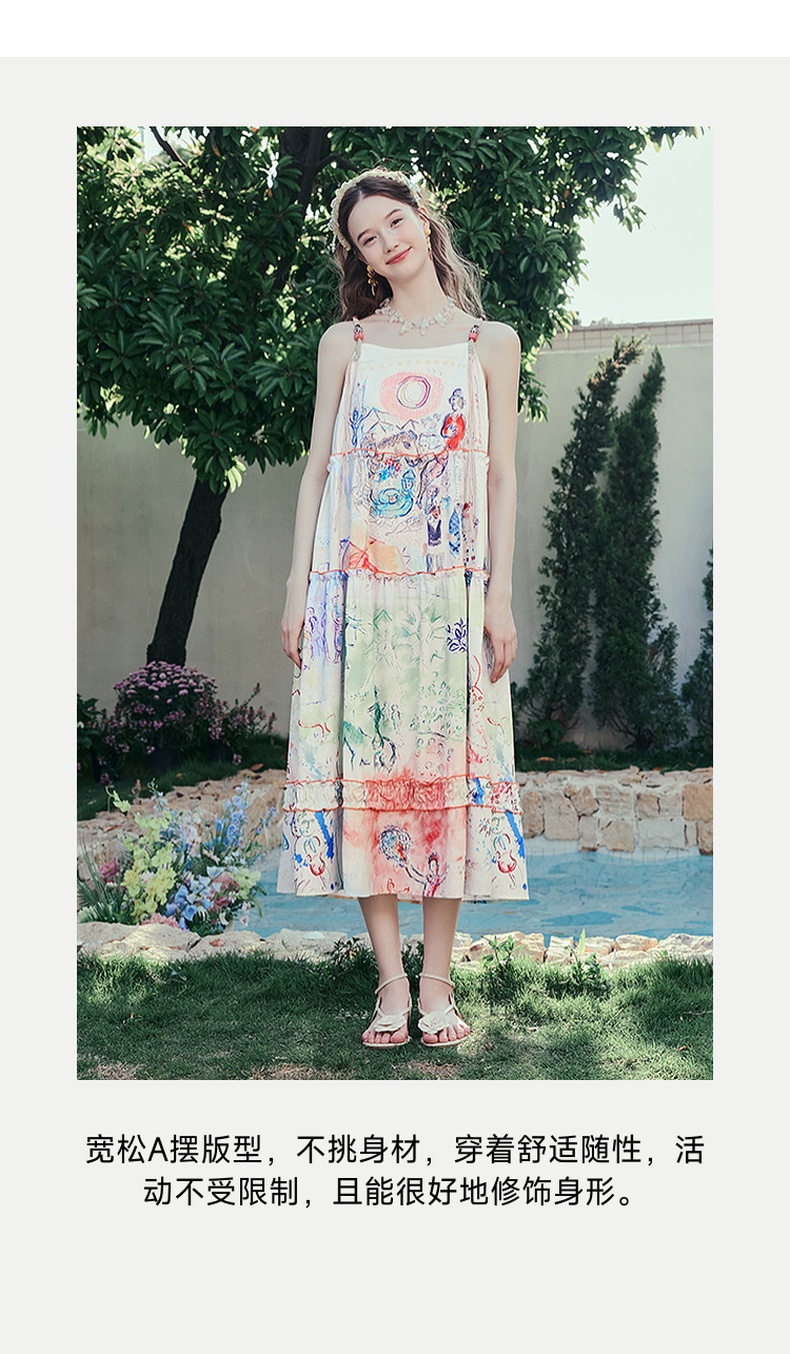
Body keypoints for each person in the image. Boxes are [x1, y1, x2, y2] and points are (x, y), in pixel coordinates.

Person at [278, 166, 528, 1049]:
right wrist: (299, 589)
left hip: (451, 594)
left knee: (444, 777)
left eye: (394, 222)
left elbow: (501, 477)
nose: (387, 242)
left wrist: (499, 594)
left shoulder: (491, 343)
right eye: (367, 238)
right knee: (367, 778)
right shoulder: (345, 343)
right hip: (357, 592)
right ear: (361, 259)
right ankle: (390, 984)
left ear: (424, 219)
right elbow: (318, 471)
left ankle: (437, 986)